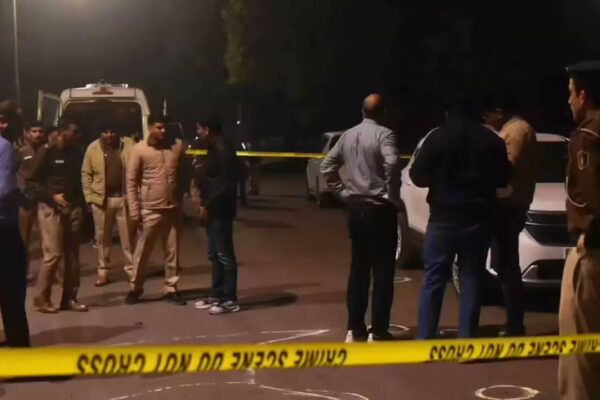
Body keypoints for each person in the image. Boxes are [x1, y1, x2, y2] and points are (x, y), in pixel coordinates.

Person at [410, 93, 509, 339]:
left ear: (448, 113)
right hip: (477, 218)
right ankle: (467, 341)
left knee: (433, 278)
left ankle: (425, 339)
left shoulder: (437, 137)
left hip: (442, 217)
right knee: (471, 278)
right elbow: (503, 179)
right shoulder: (491, 141)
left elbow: (417, 176)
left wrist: (439, 179)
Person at [321, 94, 400, 342]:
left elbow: (327, 166)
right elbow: (392, 162)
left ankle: (354, 329)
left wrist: (342, 193)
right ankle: (379, 330)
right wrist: (391, 193)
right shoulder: (385, 135)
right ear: (383, 112)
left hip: (356, 207)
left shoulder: (348, 135)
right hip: (379, 207)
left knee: (359, 269)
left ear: (363, 111)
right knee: (383, 270)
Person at [558, 61, 600, 400]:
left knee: (579, 348)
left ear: (584, 95)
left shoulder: (587, 137)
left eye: (571, 93)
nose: (569, 101)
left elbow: (590, 199)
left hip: (593, 251)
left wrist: (588, 237)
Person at [483, 98, 539, 336]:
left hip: (509, 206)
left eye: (488, 115)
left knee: (507, 266)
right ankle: (513, 321)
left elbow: (506, 168)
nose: (486, 120)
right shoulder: (514, 129)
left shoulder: (516, 131)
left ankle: (515, 323)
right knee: (505, 265)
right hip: (509, 205)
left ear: (499, 112)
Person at [27, 117, 88, 313]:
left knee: (72, 256)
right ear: (62, 131)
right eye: (74, 131)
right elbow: (31, 183)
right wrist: (51, 196)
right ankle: (41, 298)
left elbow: (81, 179)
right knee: (53, 254)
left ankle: (69, 298)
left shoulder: (78, 152)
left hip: (74, 207)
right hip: (50, 208)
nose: (77, 135)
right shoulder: (47, 152)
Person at [125, 115, 186, 305]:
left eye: (165, 127)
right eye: (159, 127)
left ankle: (171, 287)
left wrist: (183, 197)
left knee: (172, 252)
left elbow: (185, 173)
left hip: (172, 208)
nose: (163, 131)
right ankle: (135, 288)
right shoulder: (139, 150)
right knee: (142, 252)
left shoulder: (177, 146)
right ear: (150, 127)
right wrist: (135, 212)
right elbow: (131, 182)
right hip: (150, 209)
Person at [193, 118, 241, 315]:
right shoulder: (212, 148)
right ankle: (216, 294)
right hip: (213, 209)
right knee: (214, 254)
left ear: (207, 129)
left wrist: (206, 205)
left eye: (199, 129)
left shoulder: (223, 150)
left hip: (221, 209)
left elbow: (222, 185)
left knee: (224, 255)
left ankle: (230, 299)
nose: (197, 133)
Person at [82, 122, 135, 287]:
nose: (109, 135)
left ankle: (131, 269)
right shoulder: (93, 148)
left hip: (124, 198)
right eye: (105, 131)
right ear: (100, 133)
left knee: (128, 238)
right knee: (102, 238)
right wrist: (89, 197)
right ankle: (103, 271)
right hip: (101, 200)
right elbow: (86, 174)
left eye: (112, 131)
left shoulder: (128, 145)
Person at [0, 103, 30, 346]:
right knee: (12, 291)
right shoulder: (4, 146)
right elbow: (4, 189)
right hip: (3, 229)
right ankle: (19, 348)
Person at [17, 121, 47, 281]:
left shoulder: (47, 150)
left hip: (43, 199)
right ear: (27, 133)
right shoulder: (21, 152)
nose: (37, 134)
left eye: (40, 131)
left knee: (47, 240)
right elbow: (15, 174)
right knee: (24, 239)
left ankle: (50, 274)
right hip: (26, 200)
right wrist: (21, 193)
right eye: (34, 131)